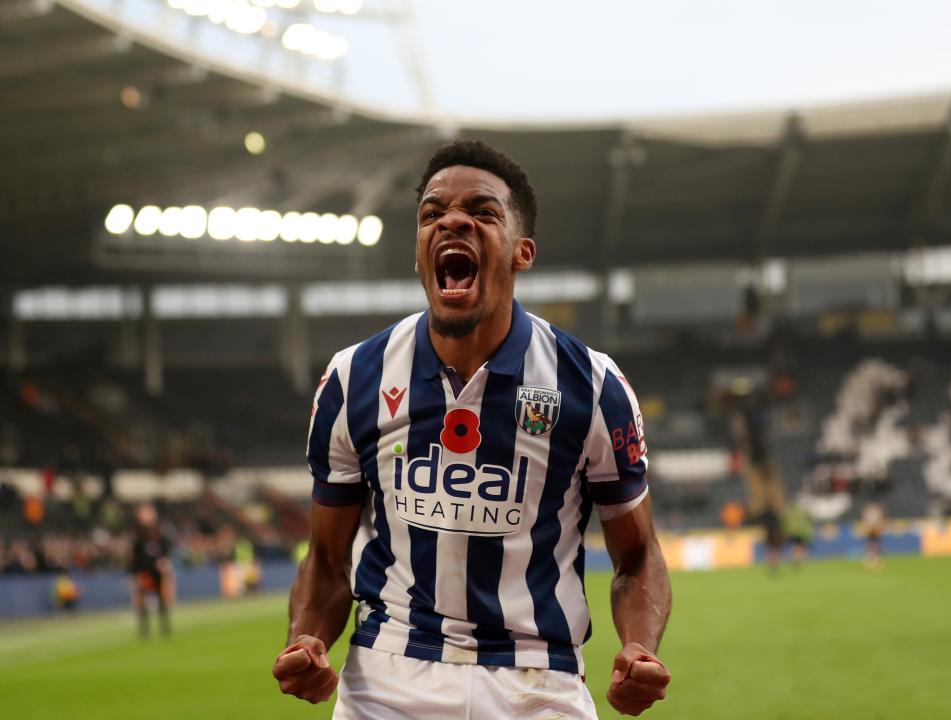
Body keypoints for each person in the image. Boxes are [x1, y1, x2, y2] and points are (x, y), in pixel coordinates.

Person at [272, 140, 672, 718]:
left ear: (522, 252)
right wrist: (306, 637)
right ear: (419, 251)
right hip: (387, 681)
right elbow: (327, 560)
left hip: (538, 681)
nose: (451, 220)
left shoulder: (591, 384)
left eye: (482, 212)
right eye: (432, 213)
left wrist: (639, 647)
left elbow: (637, 557)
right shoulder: (353, 377)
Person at [128, 503, 174, 638]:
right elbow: (134, 557)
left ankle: (165, 627)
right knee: (142, 602)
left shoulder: (159, 532)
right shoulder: (138, 535)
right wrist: (134, 574)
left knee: (162, 600)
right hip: (143, 573)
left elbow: (165, 551)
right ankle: (144, 630)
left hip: (157, 572)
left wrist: (164, 562)